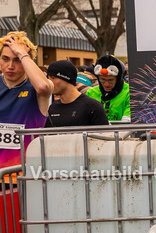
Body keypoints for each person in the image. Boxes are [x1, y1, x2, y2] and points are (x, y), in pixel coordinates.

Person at [0, 32, 50, 167]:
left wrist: (22, 53)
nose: (10, 66)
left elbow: (43, 87)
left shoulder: (37, 86)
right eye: (5, 59)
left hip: (26, 172)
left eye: (17, 60)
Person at [44, 60, 108, 128]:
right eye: (48, 78)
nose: (49, 82)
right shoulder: (53, 107)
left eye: (53, 78)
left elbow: (104, 136)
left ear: (66, 78)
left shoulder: (92, 107)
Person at [86, 56, 130, 122]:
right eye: (102, 80)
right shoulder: (90, 93)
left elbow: (126, 122)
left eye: (111, 80)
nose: (106, 84)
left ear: (118, 79)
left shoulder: (129, 92)